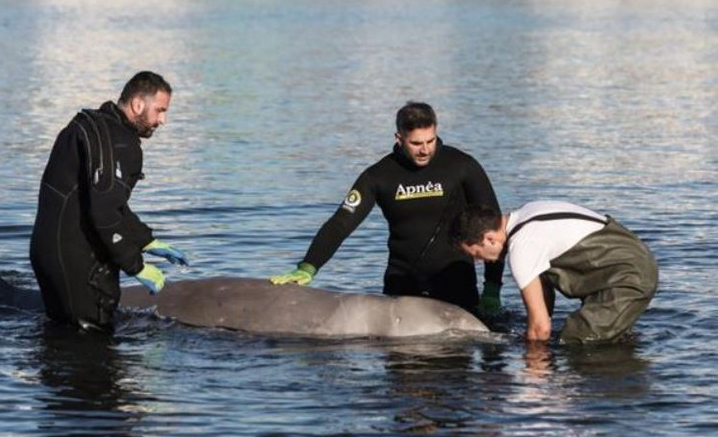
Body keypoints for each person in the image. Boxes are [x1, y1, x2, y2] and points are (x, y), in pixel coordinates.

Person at [270, 101, 504, 315]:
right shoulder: (379, 176)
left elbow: (495, 228)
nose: (425, 150)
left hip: (456, 283)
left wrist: (492, 288)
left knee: (455, 358)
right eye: (415, 143)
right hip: (402, 283)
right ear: (399, 138)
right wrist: (309, 266)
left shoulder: (461, 166)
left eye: (430, 141)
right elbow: (342, 222)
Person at [30, 71, 188, 332]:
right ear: (138, 104)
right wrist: (135, 265)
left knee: (60, 337)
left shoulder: (89, 126)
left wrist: (144, 239)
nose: (163, 121)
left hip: (48, 252)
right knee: (90, 342)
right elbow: (103, 212)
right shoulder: (121, 144)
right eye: (159, 111)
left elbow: (104, 202)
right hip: (78, 262)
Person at [449, 201, 658, 344]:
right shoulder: (527, 213)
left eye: (476, 254)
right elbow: (543, 288)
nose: (478, 261)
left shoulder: (522, 248)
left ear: (489, 239)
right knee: (600, 339)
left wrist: (532, 375)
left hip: (629, 275)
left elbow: (541, 328)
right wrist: (539, 326)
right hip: (627, 258)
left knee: (577, 339)